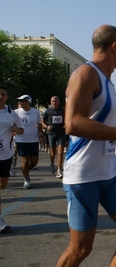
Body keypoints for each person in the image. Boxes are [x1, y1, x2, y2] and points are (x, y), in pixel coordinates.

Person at [56, 25, 116, 266]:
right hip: (84, 174)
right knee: (80, 248)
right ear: (115, 46)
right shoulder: (85, 73)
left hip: (110, 172)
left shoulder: (109, 84)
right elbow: (73, 124)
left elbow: (99, 124)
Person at [0, 85, 24, 232]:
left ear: (6, 97)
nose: (0, 97)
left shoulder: (11, 113)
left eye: (3, 94)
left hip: (6, 154)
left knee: (2, 185)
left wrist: (16, 129)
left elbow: (21, 129)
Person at [14, 94, 42, 189]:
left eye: (23, 101)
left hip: (33, 140)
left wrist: (40, 132)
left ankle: (25, 171)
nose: (21, 103)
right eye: (20, 101)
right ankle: (26, 179)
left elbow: (39, 124)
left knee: (34, 161)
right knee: (25, 160)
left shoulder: (36, 112)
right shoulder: (16, 112)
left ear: (28, 102)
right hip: (21, 140)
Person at [42, 96, 66, 178]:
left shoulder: (63, 111)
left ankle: (59, 170)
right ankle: (52, 162)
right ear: (50, 102)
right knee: (53, 153)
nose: (54, 103)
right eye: (52, 101)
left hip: (61, 133)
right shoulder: (48, 111)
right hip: (51, 133)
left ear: (59, 102)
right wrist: (46, 126)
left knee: (60, 152)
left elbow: (67, 119)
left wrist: (66, 124)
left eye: (56, 101)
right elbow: (42, 121)